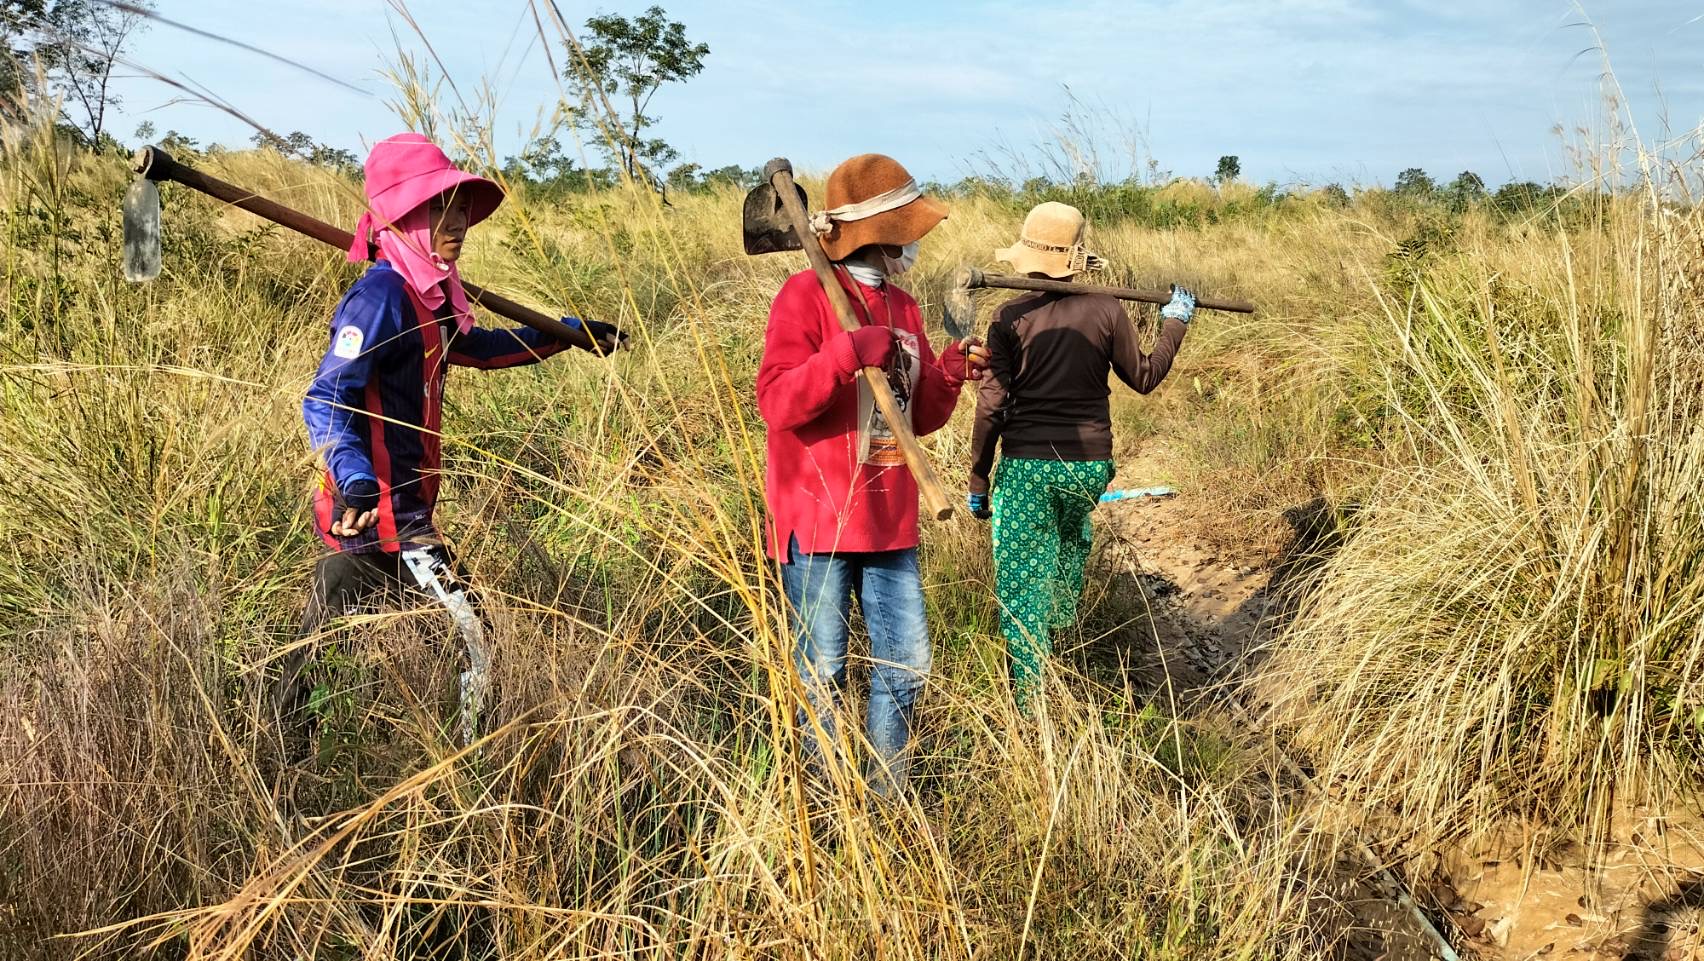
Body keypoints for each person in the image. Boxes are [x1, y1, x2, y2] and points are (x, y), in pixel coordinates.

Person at [271, 133, 623, 751]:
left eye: (461, 206)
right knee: (474, 636)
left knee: (327, 637)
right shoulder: (381, 298)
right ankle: (467, 764)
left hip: (388, 512)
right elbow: (325, 398)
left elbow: (478, 349)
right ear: (404, 216)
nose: (458, 221)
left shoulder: (426, 292)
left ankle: (282, 746)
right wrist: (355, 479)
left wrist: (568, 334)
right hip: (378, 512)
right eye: (441, 208)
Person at [756, 153, 989, 798]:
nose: (915, 244)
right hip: (819, 522)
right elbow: (776, 402)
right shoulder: (807, 296)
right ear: (883, 237)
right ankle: (829, 810)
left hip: (891, 522)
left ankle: (884, 797)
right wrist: (841, 356)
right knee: (822, 671)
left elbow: (919, 418)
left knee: (906, 666)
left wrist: (947, 371)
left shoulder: (906, 309)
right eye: (908, 233)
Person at [967, 201, 1194, 705]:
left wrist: (979, 479)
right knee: (1068, 551)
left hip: (1028, 468)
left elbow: (992, 406)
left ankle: (1033, 707)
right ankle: (1067, 652)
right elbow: (1145, 377)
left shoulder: (1009, 317)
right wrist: (1175, 324)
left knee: (1025, 583)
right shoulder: (1107, 308)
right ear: (1077, 258)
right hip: (1089, 467)